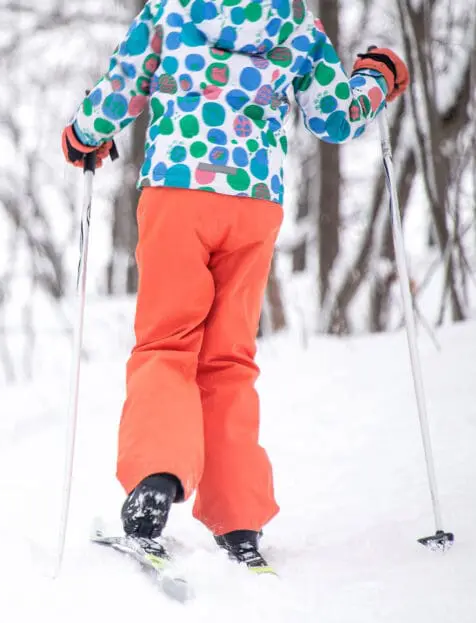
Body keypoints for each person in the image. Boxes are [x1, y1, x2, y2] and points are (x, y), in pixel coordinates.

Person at [61, 0, 409, 569]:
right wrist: (377, 78)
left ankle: (154, 481)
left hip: (177, 189)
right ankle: (239, 520)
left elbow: (122, 86)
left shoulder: (172, 10)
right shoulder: (295, 19)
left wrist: (84, 134)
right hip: (253, 200)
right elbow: (335, 117)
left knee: (168, 343)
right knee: (228, 358)